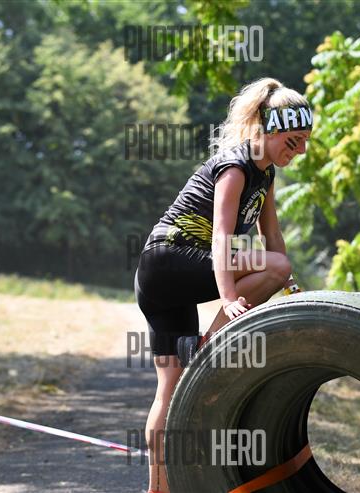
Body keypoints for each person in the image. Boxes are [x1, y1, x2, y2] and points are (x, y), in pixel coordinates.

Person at [134, 77, 312, 493]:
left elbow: (272, 236)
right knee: (277, 266)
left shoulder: (266, 176)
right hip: (168, 260)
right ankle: (209, 347)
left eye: (305, 142)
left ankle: (157, 489)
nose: (300, 151)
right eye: (294, 141)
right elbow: (221, 236)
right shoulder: (235, 166)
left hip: (165, 277)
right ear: (269, 130)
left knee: (171, 389)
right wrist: (229, 298)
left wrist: (289, 288)